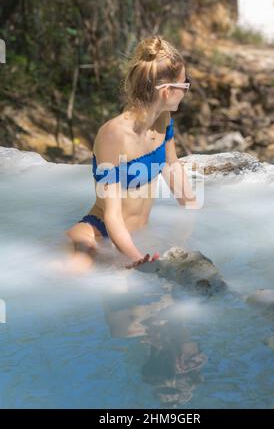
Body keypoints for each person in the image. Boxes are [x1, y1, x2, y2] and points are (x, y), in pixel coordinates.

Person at [64, 34, 199, 273]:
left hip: (135, 236)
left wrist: (195, 210)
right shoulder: (112, 135)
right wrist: (138, 258)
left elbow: (171, 166)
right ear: (167, 91)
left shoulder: (163, 118)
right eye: (184, 84)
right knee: (72, 279)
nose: (186, 90)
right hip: (98, 235)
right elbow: (112, 214)